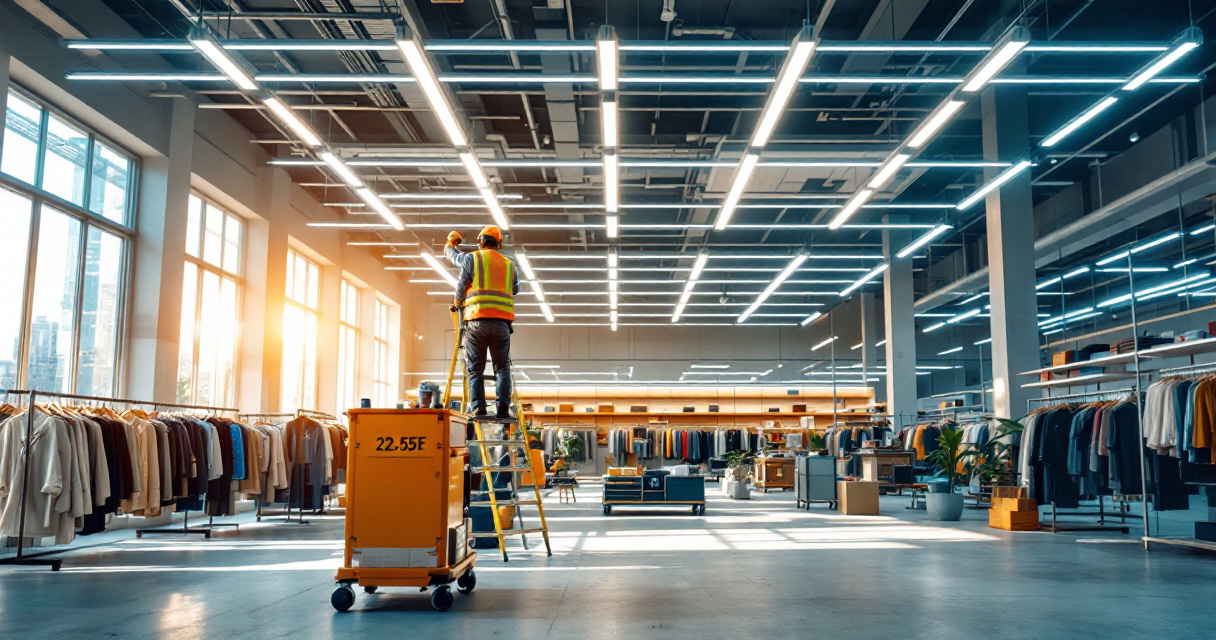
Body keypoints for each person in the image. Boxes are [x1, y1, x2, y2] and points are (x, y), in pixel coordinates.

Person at [445, 226, 520, 418]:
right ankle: (503, 406)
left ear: (480, 241)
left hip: (477, 322)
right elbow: (516, 289)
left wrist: (450, 244)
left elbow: (460, 281)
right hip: (502, 325)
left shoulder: (472, 259)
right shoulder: (510, 265)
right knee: (502, 367)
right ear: (498, 244)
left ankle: (478, 406)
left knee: (475, 368)